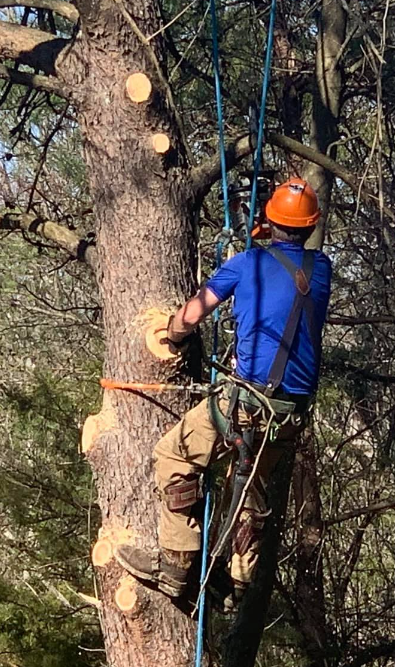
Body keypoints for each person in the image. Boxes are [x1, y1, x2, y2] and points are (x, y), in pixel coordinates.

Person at [114, 177, 333, 606]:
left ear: (269, 222)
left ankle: (176, 565)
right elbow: (284, 274)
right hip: (288, 414)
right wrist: (267, 237)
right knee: (248, 485)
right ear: (309, 227)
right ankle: (236, 583)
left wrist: (173, 338)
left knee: (174, 455)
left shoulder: (245, 264)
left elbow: (190, 315)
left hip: (245, 403)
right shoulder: (320, 269)